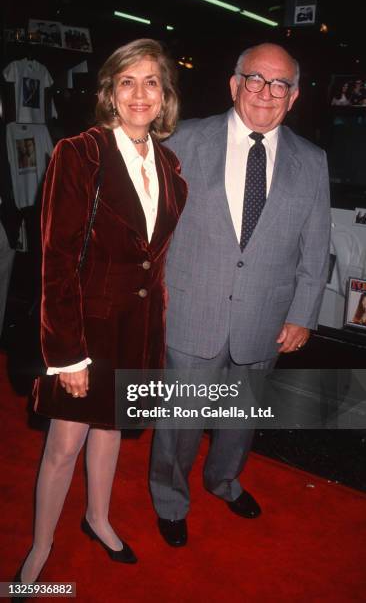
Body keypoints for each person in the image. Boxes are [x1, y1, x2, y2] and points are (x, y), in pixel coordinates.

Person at [14, 38, 186, 585]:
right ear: (110, 92)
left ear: (165, 96)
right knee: (65, 441)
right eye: (127, 82)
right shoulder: (80, 151)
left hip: (138, 328)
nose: (140, 94)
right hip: (84, 327)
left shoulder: (170, 162)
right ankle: (40, 549)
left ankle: (98, 518)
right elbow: (56, 260)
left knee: (111, 427)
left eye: (151, 82)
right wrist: (68, 355)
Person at [149, 43, 330, 546]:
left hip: (266, 318)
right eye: (255, 79)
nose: (266, 93)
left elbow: (316, 249)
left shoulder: (311, 162)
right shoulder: (180, 140)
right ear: (234, 85)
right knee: (179, 421)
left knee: (240, 416)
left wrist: (303, 315)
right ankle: (170, 498)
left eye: (280, 85)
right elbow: (149, 228)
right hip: (189, 308)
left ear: (292, 98)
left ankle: (224, 480)